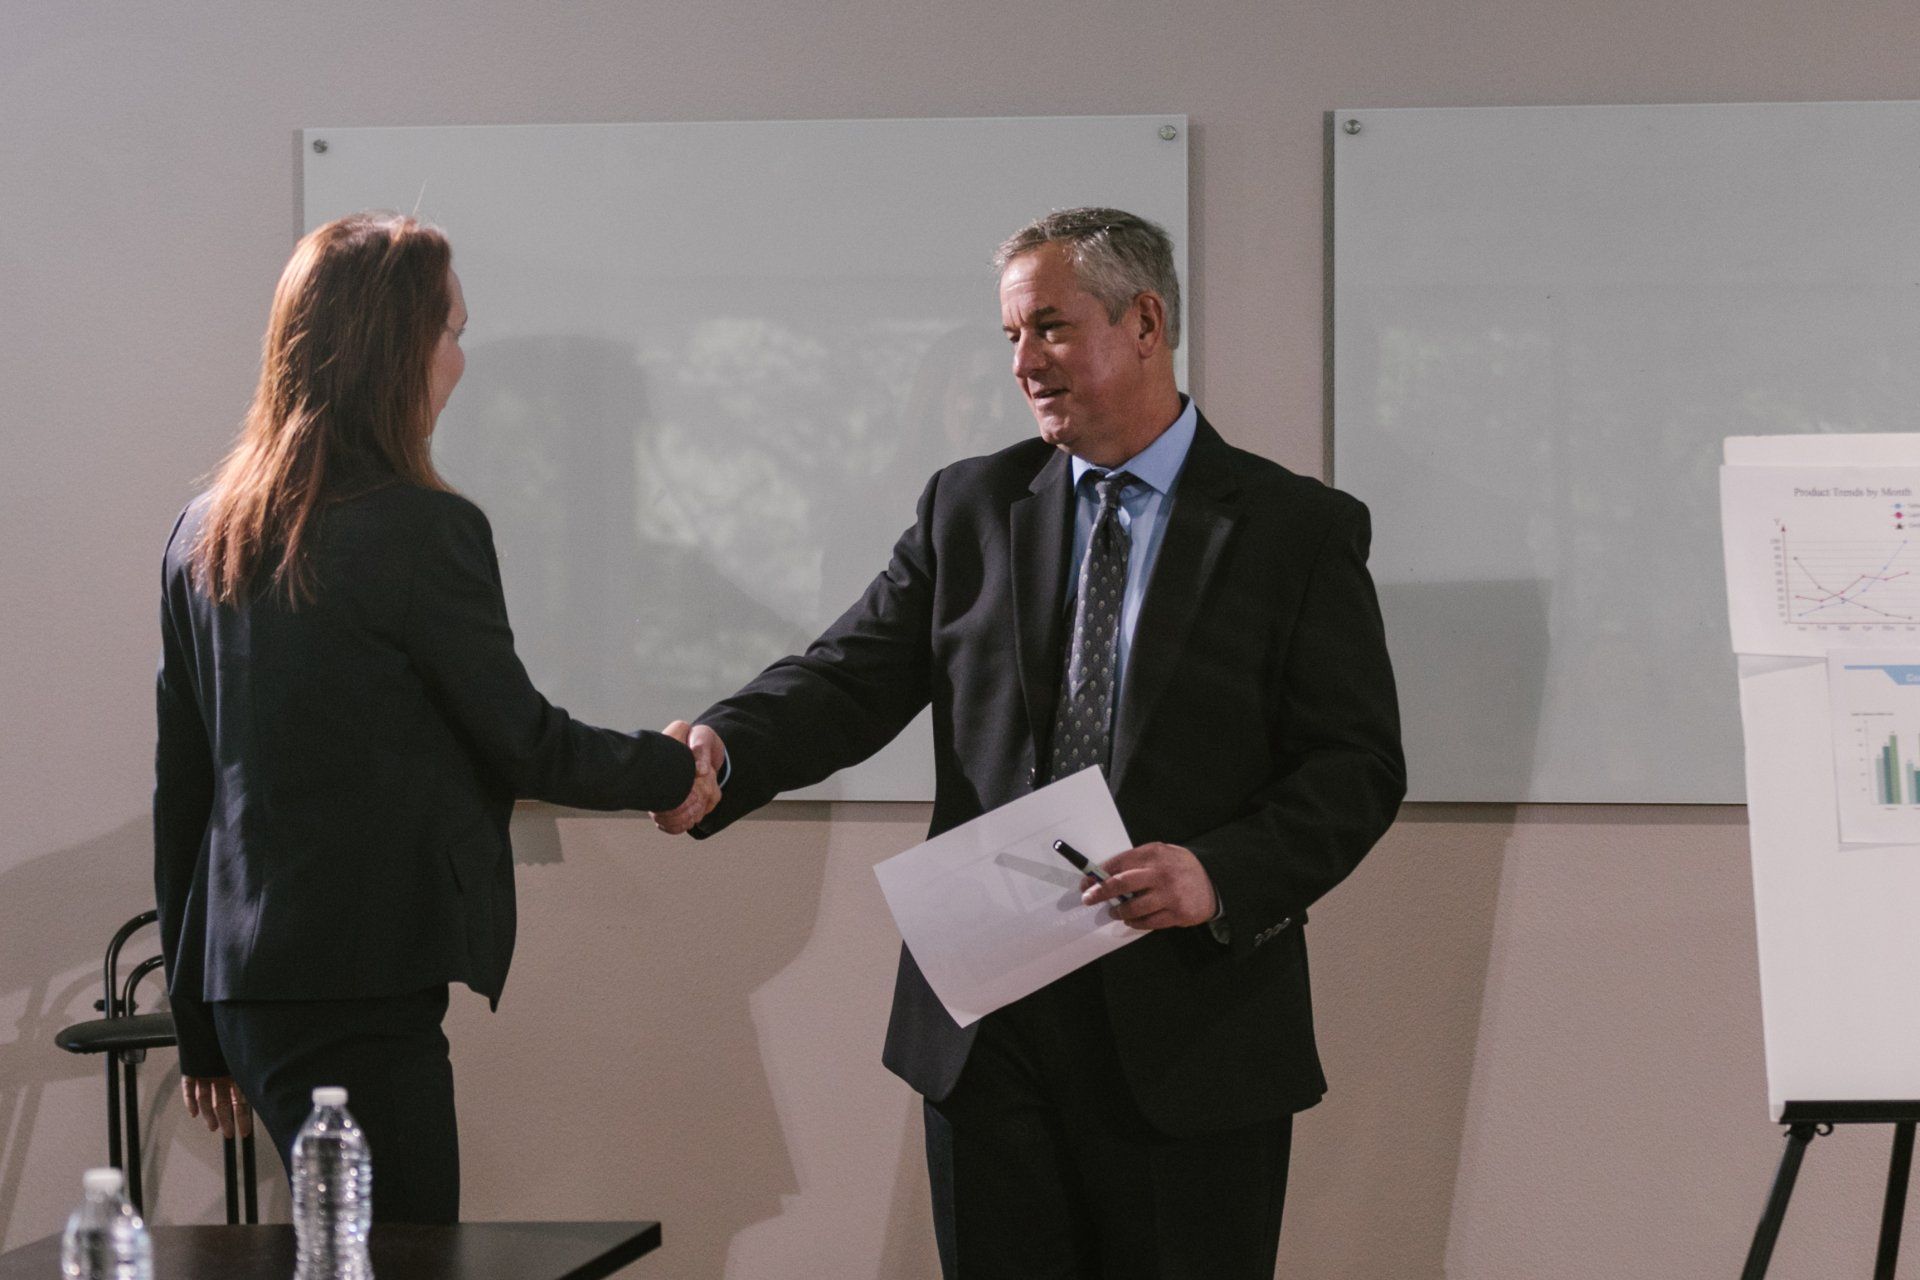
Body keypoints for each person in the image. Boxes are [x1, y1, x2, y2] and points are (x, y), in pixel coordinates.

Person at [651, 206, 1405, 1278]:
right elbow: (847, 675)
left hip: (1188, 1031)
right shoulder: (972, 506)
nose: (1023, 362)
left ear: (1146, 322)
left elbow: (1358, 765)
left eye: (1048, 327)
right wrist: (725, 747)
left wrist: (1217, 873)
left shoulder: (1294, 530)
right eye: (1010, 335)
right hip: (990, 1033)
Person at [153, 212, 715, 1223]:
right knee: (406, 1256)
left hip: (253, 992)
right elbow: (523, 737)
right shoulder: (421, 528)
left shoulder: (203, 529)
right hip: (361, 987)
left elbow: (184, 788)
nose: (461, 357)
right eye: (452, 329)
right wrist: (676, 772)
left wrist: (198, 1021)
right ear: (395, 348)